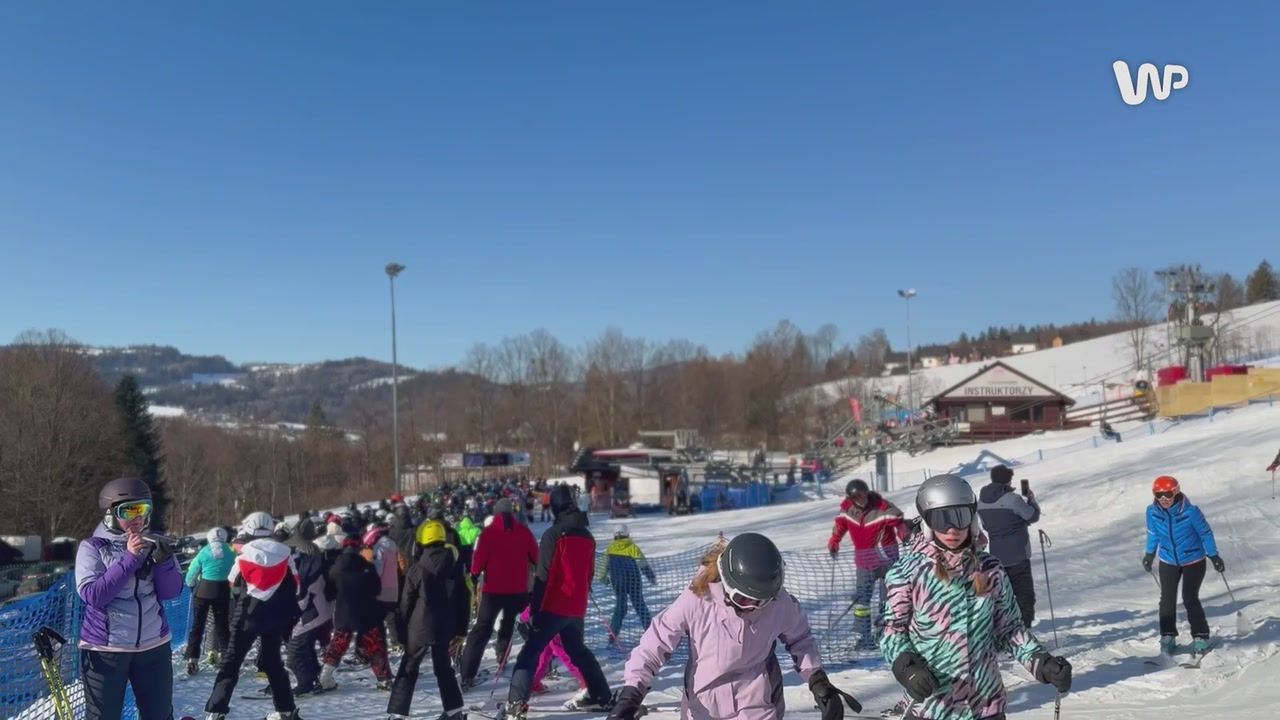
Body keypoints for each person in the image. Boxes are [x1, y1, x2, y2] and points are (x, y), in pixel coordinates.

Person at [609, 533, 861, 720]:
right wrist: (632, 692)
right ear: (727, 583)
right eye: (744, 599)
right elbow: (655, 643)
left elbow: (800, 639)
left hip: (758, 702)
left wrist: (817, 680)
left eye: (761, 600)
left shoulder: (778, 602)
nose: (753, 606)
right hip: (703, 703)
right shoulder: (698, 599)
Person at [881, 474, 1071, 720]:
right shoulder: (906, 573)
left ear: (972, 519)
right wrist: (907, 668)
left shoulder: (991, 569)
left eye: (960, 517)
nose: (952, 529)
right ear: (927, 523)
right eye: (941, 519)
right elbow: (892, 631)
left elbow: (1009, 629)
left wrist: (1041, 662)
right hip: (933, 706)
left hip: (986, 705)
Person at [501, 485, 613, 720]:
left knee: (530, 652)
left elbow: (543, 576)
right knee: (578, 651)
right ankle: (601, 694)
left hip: (553, 605)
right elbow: (589, 574)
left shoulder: (554, 535)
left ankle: (516, 703)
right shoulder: (587, 536)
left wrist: (535, 608)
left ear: (554, 507)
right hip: (576, 606)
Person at [76, 477, 183, 720]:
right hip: (106, 649)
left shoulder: (154, 542)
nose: (138, 518)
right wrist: (130, 558)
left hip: (153, 646)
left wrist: (164, 563)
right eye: (129, 511)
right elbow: (93, 595)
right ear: (110, 514)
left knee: (159, 715)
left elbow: (171, 592)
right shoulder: (93, 547)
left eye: (143, 509)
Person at [204, 512, 302, 720]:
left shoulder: (244, 555)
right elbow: (296, 583)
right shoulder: (286, 554)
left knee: (231, 661)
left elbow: (232, 583)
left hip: (248, 614)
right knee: (273, 661)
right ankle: (286, 710)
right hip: (276, 616)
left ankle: (216, 711)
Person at [386, 520, 470, 720]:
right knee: (444, 669)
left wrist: (401, 630)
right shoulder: (455, 566)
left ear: (422, 541)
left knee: (409, 668)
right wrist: (461, 630)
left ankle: (397, 715)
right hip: (446, 627)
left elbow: (406, 601)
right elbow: (464, 600)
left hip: (419, 628)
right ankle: (454, 712)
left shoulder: (417, 568)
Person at [459, 498, 538, 690]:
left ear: (495, 513)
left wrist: (475, 575)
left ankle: (467, 674)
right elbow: (536, 557)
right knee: (519, 625)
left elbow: (477, 562)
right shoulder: (524, 532)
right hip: (518, 589)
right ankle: (538, 663)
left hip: (492, 590)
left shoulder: (487, 534)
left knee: (482, 629)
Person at [1142, 475, 1224, 655]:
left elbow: (1205, 533)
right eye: (1159, 495)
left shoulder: (1191, 512)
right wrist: (1149, 554)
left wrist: (1213, 555)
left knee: (1189, 597)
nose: (1164, 499)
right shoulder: (1152, 512)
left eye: (1168, 494)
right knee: (1167, 599)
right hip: (1168, 559)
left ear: (1176, 492)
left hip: (1193, 559)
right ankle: (1168, 636)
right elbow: (1152, 533)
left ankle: (1201, 636)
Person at [827, 478, 907, 649]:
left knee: (888, 600)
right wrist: (834, 541)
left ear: (867, 493)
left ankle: (885, 634)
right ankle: (864, 637)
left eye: (863, 495)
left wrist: (904, 535)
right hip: (864, 563)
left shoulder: (881, 508)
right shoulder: (848, 510)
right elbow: (840, 525)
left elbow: (899, 521)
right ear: (851, 499)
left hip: (887, 560)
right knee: (862, 602)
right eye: (856, 497)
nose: (861, 499)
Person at [319, 534, 394, 691]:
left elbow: (329, 593)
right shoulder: (367, 566)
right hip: (368, 612)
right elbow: (377, 589)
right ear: (359, 547)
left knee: (337, 645)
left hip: (344, 612)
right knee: (375, 646)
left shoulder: (334, 569)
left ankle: (324, 678)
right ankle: (384, 679)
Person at [976, 465, 1041, 629]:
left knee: (1003, 596)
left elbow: (986, 526)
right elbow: (1032, 516)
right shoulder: (1013, 499)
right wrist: (1031, 500)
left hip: (997, 556)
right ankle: (1024, 629)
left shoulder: (981, 502)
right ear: (1007, 480)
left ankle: (1005, 628)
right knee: (1024, 595)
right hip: (1018, 554)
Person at [288, 521, 335, 696]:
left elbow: (303, 593)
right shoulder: (314, 551)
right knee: (306, 648)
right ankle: (315, 678)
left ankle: (305, 683)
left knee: (295, 651)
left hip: (312, 612)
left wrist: (293, 610)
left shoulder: (305, 560)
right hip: (322, 609)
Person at [184, 527, 235, 674]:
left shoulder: (204, 551)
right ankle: (227, 660)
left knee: (197, 626)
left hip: (203, 592)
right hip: (223, 592)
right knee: (223, 627)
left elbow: (192, 573)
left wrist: (191, 584)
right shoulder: (231, 552)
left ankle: (192, 659)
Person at [595, 525, 657, 640]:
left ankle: (613, 634)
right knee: (640, 606)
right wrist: (650, 576)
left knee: (620, 607)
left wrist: (605, 580)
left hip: (618, 583)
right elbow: (642, 563)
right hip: (634, 582)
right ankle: (650, 631)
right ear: (627, 534)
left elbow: (602, 570)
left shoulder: (610, 549)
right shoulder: (632, 547)